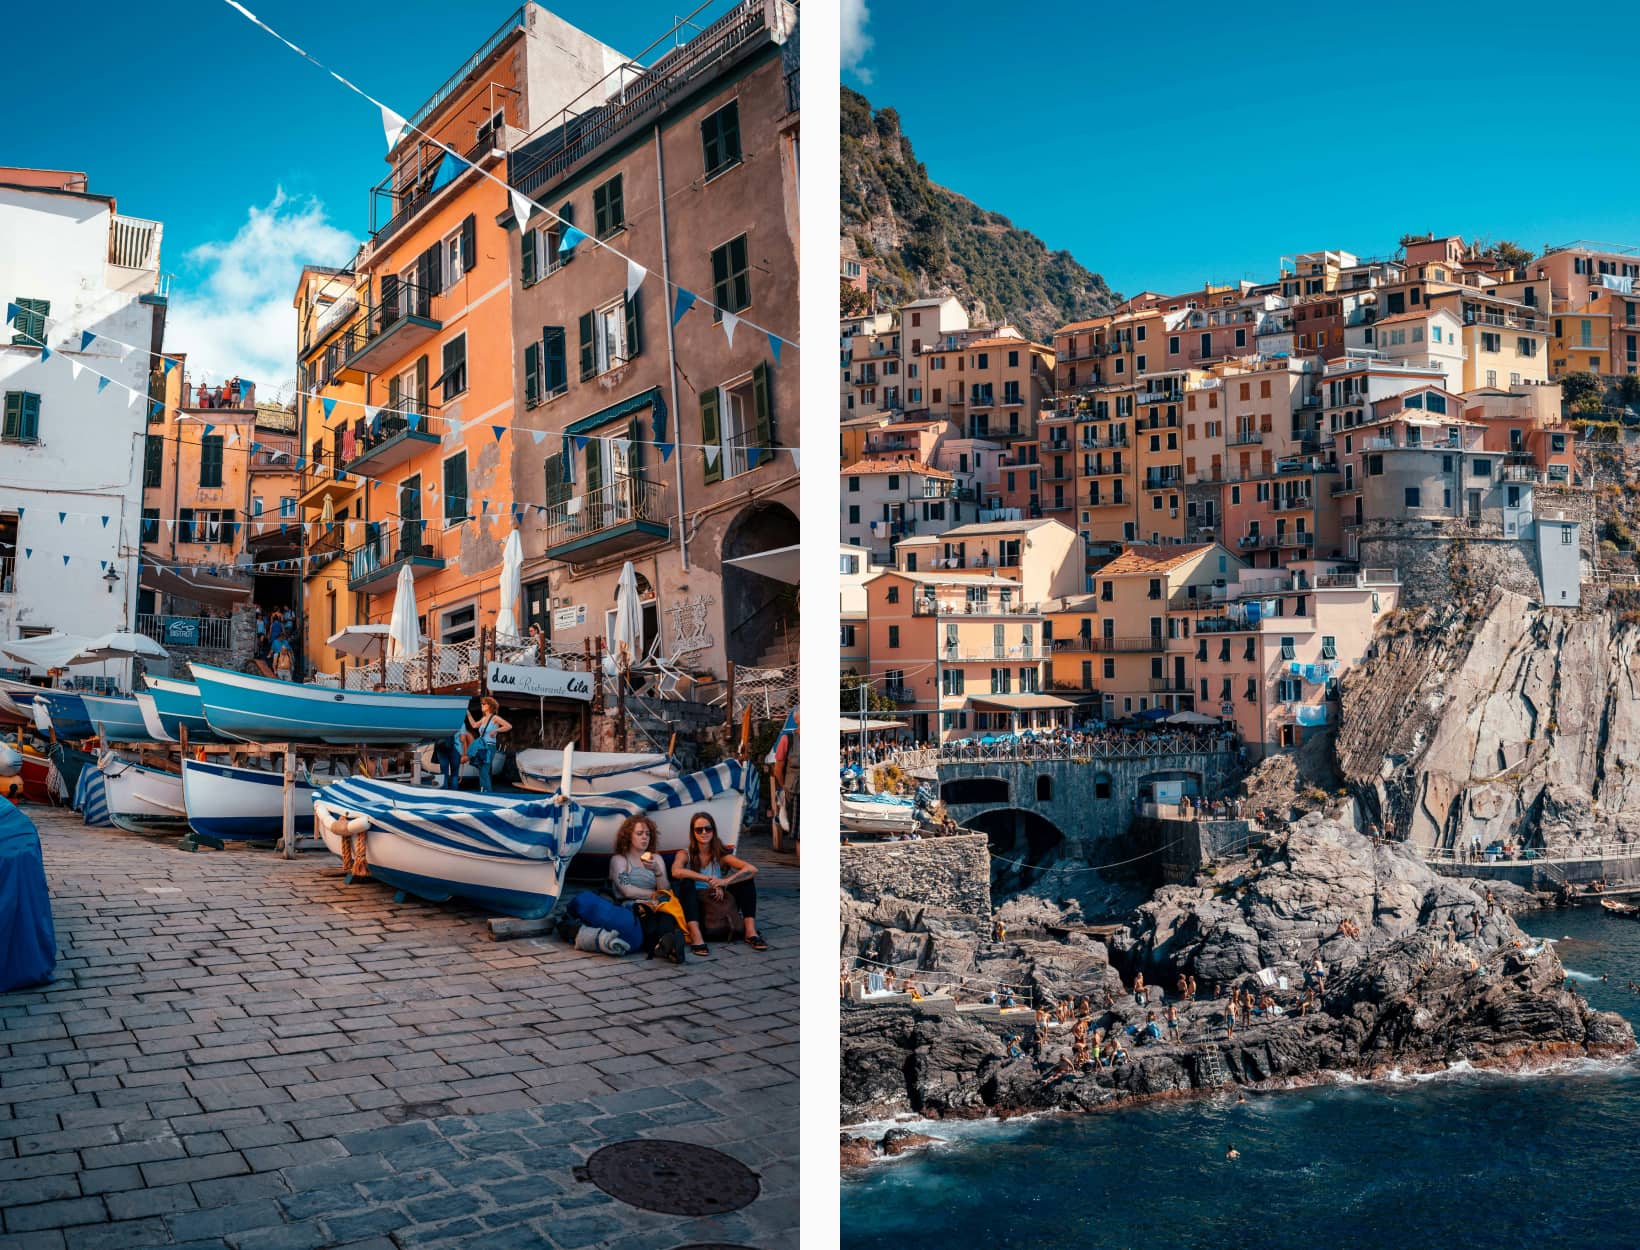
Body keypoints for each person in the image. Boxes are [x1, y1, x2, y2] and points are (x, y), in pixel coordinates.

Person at [670, 811, 766, 956]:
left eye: (708, 829)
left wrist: (724, 882)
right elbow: (676, 871)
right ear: (693, 832)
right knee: (687, 883)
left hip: (718, 898)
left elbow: (752, 869)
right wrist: (707, 879)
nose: (704, 832)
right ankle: (696, 937)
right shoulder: (685, 853)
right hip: (696, 902)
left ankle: (750, 932)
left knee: (746, 880)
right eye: (699, 829)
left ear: (713, 831)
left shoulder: (720, 854)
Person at [609, 815, 670, 902]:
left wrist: (658, 872)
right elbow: (627, 891)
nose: (645, 837)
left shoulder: (656, 858)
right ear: (628, 836)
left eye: (648, 834)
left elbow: (665, 891)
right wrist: (655, 894)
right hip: (629, 908)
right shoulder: (619, 860)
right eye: (639, 833)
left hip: (656, 906)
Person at [462, 697, 511, 793]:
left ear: (489, 706)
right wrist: (468, 714)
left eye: (484, 704)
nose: (482, 705)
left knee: (485, 770)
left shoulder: (495, 718)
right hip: (482, 746)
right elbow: (474, 725)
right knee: (481, 769)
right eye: (482, 704)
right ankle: (483, 790)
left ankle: (488, 792)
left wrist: (496, 730)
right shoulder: (484, 718)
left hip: (489, 746)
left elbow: (508, 726)